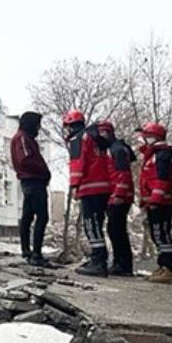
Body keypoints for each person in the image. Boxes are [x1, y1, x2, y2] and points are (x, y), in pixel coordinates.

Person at [64, 110, 113, 277]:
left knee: (91, 226)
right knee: (98, 224)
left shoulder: (78, 139)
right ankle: (99, 259)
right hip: (104, 187)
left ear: (69, 126)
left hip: (90, 186)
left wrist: (75, 185)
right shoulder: (94, 138)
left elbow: (78, 163)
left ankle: (99, 262)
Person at [137, 122, 172, 284]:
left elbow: (162, 180)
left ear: (153, 137)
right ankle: (163, 266)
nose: (141, 140)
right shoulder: (155, 155)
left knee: (162, 236)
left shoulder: (161, 155)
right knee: (158, 236)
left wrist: (155, 200)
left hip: (160, 204)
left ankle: (169, 270)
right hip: (156, 203)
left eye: (144, 136)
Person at [11, 111, 50, 266]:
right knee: (41, 216)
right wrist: (44, 171)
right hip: (33, 181)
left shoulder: (26, 138)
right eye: (37, 125)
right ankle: (35, 254)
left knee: (28, 216)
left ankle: (28, 251)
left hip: (32, 181)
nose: (38, 128)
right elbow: (25, 159)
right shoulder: (22, 138)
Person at [99, 120, 136, 277]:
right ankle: (120, 263)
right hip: (116, 195)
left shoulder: (118, 150)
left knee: (117, 230)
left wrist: (119, 194)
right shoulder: (113, 149)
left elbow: (123, 174)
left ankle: (123, 265)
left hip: (120, 196)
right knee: (115, 229)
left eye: (102, 132)